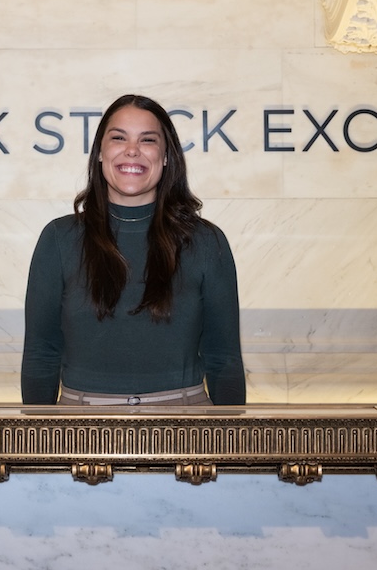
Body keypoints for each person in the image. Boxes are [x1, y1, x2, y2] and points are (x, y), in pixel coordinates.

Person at [20, 94, 246, 406]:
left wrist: (230, 445)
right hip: (79, 426)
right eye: (118, 138)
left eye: (148, 140)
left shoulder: (206, 241)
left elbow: (224, 359)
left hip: (186, 425)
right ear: (100, 152)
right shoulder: (59, 239)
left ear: (166, 156)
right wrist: (38, 442)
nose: (132, 150)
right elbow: (41, 353)